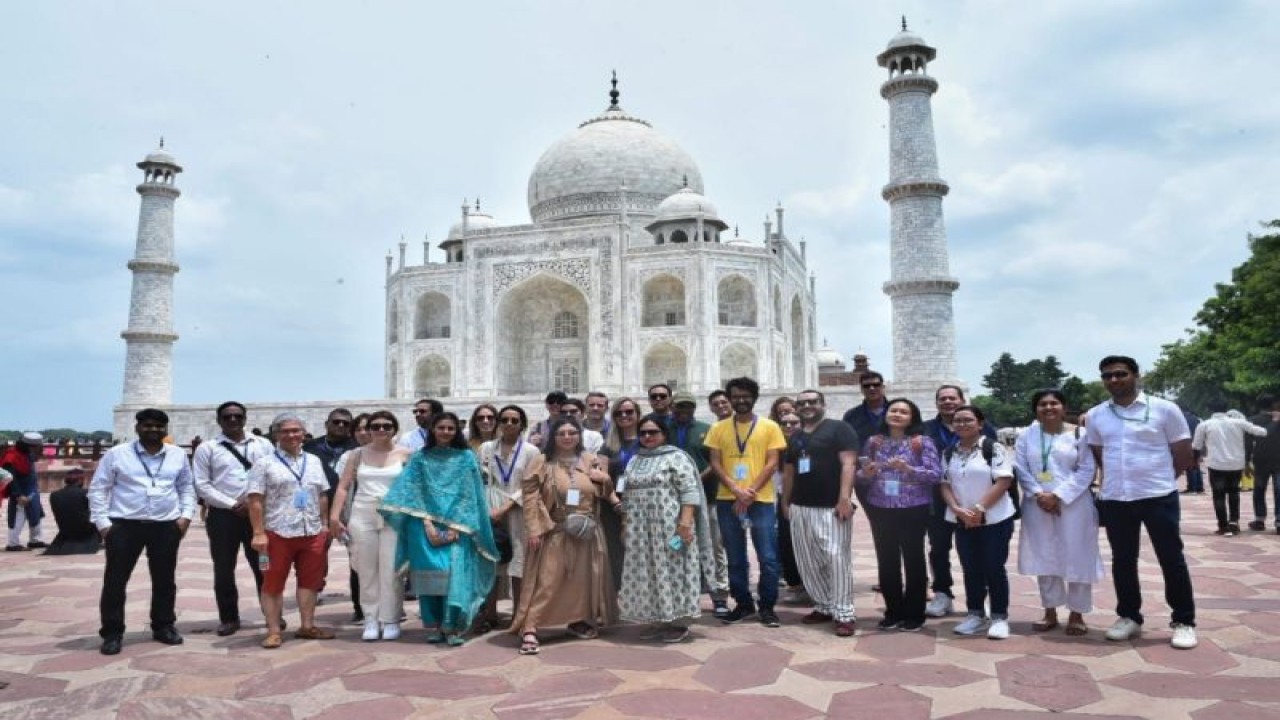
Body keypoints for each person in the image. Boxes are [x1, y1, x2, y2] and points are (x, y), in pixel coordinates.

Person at [1085, 355, 1198, 649]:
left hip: (1158, 495)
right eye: (1107, 376)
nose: (1114, 380)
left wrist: (1161, 479)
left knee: (1171, 558)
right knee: (1123, 560)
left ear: (1136, 375)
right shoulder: (1096, 415)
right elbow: (1099, 454)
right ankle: (1129, 616)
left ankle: (1184, 620)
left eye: (1120, 374)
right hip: (1116, 498)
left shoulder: (1164, 409)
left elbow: (1183, 453)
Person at [380, 412, 498, 646]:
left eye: (450, 429)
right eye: (441, 428)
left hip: (459, 526)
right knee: (431, 578)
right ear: (433, 430)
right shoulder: (420, 458)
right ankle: (434, 626)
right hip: (423, 525)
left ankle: (452, 626)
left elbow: (472, 494)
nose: (445, 432)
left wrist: (457, 526)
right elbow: (410, 491)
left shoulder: (466, 457)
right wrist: (427, 523)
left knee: (455, 577)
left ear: (456, 432)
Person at [88, 409, 197, 655]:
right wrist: (103, 524)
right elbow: (98, 489)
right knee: (115, 582)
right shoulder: (118, 454)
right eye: (147, 425)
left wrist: (186, 516)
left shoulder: (177, 454)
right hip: (125, 525)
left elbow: (186, 487)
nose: (153, 430)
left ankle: (163, 626)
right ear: (137, 428)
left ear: (166, 429)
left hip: (165, 525)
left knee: (165, 580)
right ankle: (112, 632)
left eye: (159, 426)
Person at [513, 416, 617, 655]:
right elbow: (530, 497)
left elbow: (603, 492)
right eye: (562, 433)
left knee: (580, 580)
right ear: (554, 436)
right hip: (554, 529)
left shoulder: (589, 459)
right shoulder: (542, 461)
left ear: (579, 436)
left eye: (572, 433)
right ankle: (530, 627)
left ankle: (577, 619)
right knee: (548, 580)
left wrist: (605, 480)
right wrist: (534, 529)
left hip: (586, 530)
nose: (567, 437)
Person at [618, 414, 714, 642]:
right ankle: (658, 618)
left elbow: (689, 491)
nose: (648, 436)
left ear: (664, 434)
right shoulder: (635, 459)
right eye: (643, 433)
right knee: (648, 571)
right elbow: (628, 494)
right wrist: (625, 523)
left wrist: (685, 522)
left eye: (653, 432)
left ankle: (678, 622)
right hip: (641, 529)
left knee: (674, 570)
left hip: (670, 525)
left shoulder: (676, 457)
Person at [1014, 389, 1102, 638]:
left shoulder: (1080, 434)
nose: (1048, 408)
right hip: (1037, 504)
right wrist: (1039, 494)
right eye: (1043, 404)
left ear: (1063, 407)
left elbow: (1087, 469)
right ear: (1035, 409)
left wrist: (1059, 495)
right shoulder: (1026, 436)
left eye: (1054, 403)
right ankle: (1049, 610)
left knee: (1078, 555)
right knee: (1045, 555)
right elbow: (1021, 469)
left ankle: (1077, 613)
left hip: (1073, 504)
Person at [705, 376, 788, 628]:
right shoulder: (718, 428)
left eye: (745, 396)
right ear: (729, 399)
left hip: (760, 498)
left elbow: (772, 462)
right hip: (727, 499)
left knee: (768, 557)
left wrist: (749, 491)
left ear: (754, 398)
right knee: (735, 556)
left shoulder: (769, 426)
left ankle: (767, 606)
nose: (740, 400)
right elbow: (715, 462)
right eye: (736, 396)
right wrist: (735, 489)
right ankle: (742, 603)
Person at [248, 413, 335, 649]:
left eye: (296, 430)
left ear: (304, 433)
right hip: (278, 532)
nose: (292, 435)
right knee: (273, 583)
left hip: (312, 531)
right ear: (276, 434)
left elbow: (322, 494)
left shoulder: (314, 461)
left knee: (310, 582)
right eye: (285, 431)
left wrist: (325, 524)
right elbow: (255, 499)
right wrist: (258, 532)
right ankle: (274, 630)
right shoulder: (264, 463)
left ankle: (307, 625)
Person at [856, 398, 942, 632]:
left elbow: (935, 475)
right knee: (886, 560)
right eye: (893, 410)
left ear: (912, 417)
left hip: (913, 508)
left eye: (904, 412)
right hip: (881, 507)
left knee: (914, 559)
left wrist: (908, 469)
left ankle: (914, 613)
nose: (897, 414)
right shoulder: (874, 442)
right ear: (886, 415)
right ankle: (893, 610)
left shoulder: (921, 442)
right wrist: (867, 473)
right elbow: (862, 477)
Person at [193, 401, 276, 636]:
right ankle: (229, 617)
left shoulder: (263, 445)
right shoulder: (208, 448)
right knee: (223, 568)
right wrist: (231, 504)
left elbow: (273, 475)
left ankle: (271, 614)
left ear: (245, 418)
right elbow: (201, 484)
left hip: (257, 516)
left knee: (264, 566)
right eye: (227, 417)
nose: (233, 420)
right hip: (223, 516)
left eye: (237, 416)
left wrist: (253, 503)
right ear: (219, 420)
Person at [781, 389, 859, 637]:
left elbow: (849, 463)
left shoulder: (839, 428)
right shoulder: (796, 437)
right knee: (808, 560)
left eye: (812, 402)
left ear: (823, 404)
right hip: (801, 506)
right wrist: (786, 502)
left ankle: (844, 612)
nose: (807, 406)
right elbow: (790, 472)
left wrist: (845, 498)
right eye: (802, 403)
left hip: (831, 506)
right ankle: (824, 604)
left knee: (836, 558)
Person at [331, 410, 412, 641]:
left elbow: (414, 487)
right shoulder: (356, 454)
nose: (381, 430)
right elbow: (343, 487)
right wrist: (335, 517)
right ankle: (370, 619)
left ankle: (391, 619)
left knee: (392, 569)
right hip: (362, 514)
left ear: (394, 429)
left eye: (387, 426)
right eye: (376, 426)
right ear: (369, 429)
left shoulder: (406, 454)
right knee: (366, 570)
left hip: (393, 515)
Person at [939, 405, 1016, 639]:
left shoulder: (993, 448)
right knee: (970, 568)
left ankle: (999, 617)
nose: (961, 424)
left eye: (968, 420)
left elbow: (1003, 482)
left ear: (980, 423)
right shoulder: (949, 451)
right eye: (957, 420)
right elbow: (944, 484)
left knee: (993, 567)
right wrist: (956, 509)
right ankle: (975, 614)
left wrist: (979, 509)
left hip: (994, 519)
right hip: (963, 519)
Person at [922, 385, 997, 618]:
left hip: (974, 501)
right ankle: (942, 593)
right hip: (938, 498)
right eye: (942, 399)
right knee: (939, 548)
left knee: (977, 550)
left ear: (962, 400)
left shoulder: (984, 428)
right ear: (936, 403)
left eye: (952, 398)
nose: (947, 402)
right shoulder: (925, 429)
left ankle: (978, 597)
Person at [477, 405, 539, 628]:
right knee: (491, 561)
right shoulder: (486, 448)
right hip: (490, 511)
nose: (509, 424)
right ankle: (489, 613)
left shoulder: (530, 451)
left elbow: (532, 484)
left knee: (518, 563)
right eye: (505, 420)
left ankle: (518, 615)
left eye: (515, 420)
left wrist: (507, 505)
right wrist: (488, 508)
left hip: (518, 511)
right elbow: (481, 480)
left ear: (522, 424)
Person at [670, 391, 729, 617]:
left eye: (688, 407)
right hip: (675, 502)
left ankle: (719, 595)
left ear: (694, 409)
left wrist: (694, 480)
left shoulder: (707, 429)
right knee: (679, 546)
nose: (683, 411)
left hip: (708, 497)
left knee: (713, 547)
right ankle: (685, 597)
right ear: (673, 408)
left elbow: (717, 462)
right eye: (680, 407)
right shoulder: (665, 431)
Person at [1193, 401, 1267, 536]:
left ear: (1210, 409)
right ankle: (1234, 522)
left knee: (1218, 495)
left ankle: (1223, 526)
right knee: (1234, 492)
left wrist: (1195, 460)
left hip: (1216, 464)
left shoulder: (1205, 425)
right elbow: (1261, 432)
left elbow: (1196, 446)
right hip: (1235, 464)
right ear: (1226, 409)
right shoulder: (1238, 423)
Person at [598, 396, 642, 589]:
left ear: (638, 414)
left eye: (629, 412)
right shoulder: (608, 446)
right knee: (616, 552)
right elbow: (601, 476)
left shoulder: (648, 439)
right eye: (619, 413)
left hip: (645, 503)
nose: (624, 416)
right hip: (614, 505)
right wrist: (616, 502)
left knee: (643, 550)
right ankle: (620, 597)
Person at [769, 397, 807, 606]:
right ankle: (795, 584)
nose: (789, 424)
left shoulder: (808, 442)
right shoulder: (775, 445)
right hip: (782, 497)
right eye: (784, 420)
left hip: (807, 498)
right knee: (786, 541)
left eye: (793, 421)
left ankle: (812, 584)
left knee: (806, 542)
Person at [3, 431, 46, 551]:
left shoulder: (27, 453)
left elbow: (33, 460)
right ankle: (13, 543)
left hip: (32, 489)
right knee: (18, 516)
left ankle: (35, 540)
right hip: (20, 491)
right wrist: (18, 495)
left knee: (36, 514)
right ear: (30, 446)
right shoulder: (11, 457)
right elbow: (10, 478)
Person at [44, 468, 101, 555]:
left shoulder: (54, 495)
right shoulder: (85, 493)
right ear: (80, 480)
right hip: (86, 533)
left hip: (65, 532)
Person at [1247, 395, 1280, 533]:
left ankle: (1260, 519)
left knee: (1259, 489)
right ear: (1273, 404)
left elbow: (1248, 443)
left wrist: (1246, 460)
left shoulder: (1252, 420)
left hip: (1260, 460)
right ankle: (1279, 520)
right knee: (1279, 490)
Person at [1181, 407, 1205, 494]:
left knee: (1189, 466)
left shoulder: (1182, 419)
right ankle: (1199, 487)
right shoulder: (1196, 419)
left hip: (1188, 443)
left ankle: (1192, 487)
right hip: (1197, 444)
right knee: (1196, 465)